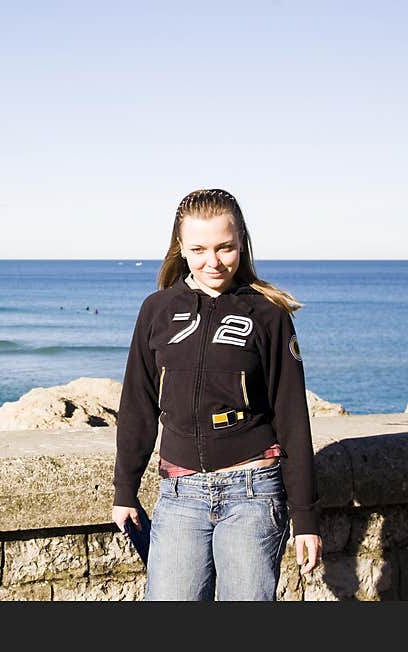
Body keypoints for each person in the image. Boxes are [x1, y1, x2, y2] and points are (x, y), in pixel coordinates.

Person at [111, 188, 322, 600]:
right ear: (181, 248)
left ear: (241, 241)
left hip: (254, 493)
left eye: (225, 247)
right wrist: (125, 489)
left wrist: (306, 517)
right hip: (179, 496)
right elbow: (137, 404)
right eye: (199, 249)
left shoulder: (268, 314)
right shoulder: (156, 310)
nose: (213, 261)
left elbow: (292, 417)